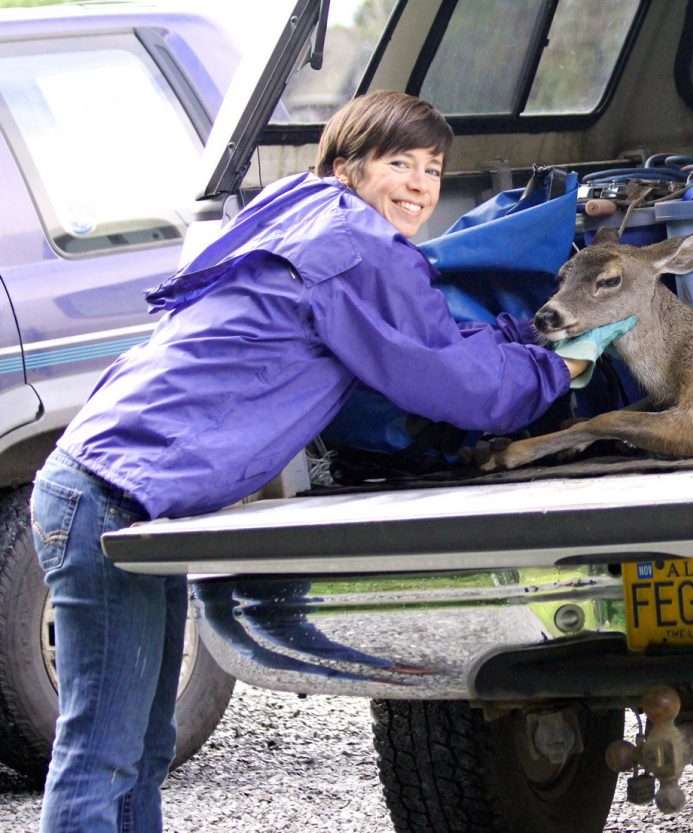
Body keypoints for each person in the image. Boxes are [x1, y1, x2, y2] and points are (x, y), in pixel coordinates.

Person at [28, 90, 609, 833]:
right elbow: (459, 385)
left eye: (432, 168)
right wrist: (560, 369)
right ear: (346, 167)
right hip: (108, 497)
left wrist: (523, 336)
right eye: (397, 162)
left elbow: (433, 336)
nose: (419, 184)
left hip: (109, 487)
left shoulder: (304, 213)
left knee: (141, 747)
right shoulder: (352, 247)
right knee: (102, 751)